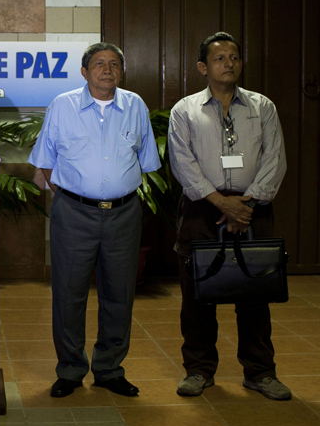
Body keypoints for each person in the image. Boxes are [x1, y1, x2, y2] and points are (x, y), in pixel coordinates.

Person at [28, 43, 161, 398]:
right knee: (68, 295)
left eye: (114, 64)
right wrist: (74, 197)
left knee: (119, 295)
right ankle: (70, 370)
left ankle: (109, 369)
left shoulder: (135, 106)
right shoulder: (62, 105)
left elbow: (146, 160)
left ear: (121, 72)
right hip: (73, 212)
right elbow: (45, 160)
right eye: (99, 64)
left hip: (124, 214)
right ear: (84, 72)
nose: (107, 70)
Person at [168, 32, 290, 400]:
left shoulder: (262, 106)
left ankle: (260, 372)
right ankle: (199, 370)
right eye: (220, 58)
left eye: (234, 57)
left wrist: (246, 204)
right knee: (197, 295)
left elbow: (275, 158)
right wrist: (222, 203)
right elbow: (182, 163)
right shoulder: (185, 110)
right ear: (203, 67)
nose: (229, 63)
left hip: (253, 209)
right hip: (203, 208)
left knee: (255, 292)